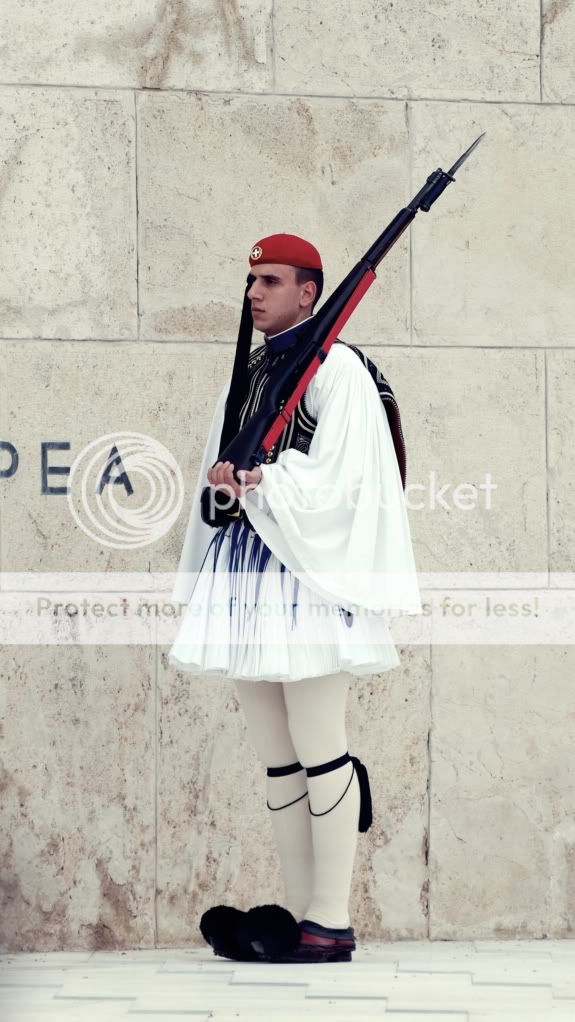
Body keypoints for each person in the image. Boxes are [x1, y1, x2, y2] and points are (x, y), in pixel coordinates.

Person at [169, 233, 422, 963]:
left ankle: (331, 918)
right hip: (248, 570)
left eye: (271, 282)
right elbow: (217, 471)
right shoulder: (255, 369)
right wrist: (224, 485)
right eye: (252, 281)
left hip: (311, 574)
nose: (255, 294)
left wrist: (266, 482)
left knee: (318, 744)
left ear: (308, 291)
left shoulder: (335, 371)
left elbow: (348, 477)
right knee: (277, 755)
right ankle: (302, 911)